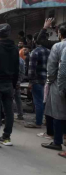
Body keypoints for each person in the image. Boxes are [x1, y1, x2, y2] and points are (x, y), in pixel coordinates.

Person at [41, 24, 66, 152]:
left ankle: (57, 141)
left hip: (59, 83)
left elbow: (52, 69)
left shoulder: (58, 46)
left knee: (58, 113)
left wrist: (51, 82)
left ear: (60, 34)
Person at [25, 33, 50, 128]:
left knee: (38, 101)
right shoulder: (50, 51)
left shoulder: (34, 52)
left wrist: (30, 82)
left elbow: (31, 69)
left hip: (37, 80)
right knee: (46, 102)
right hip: (47, 80)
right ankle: (46, 121)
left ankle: (38, 122)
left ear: (35, 40)